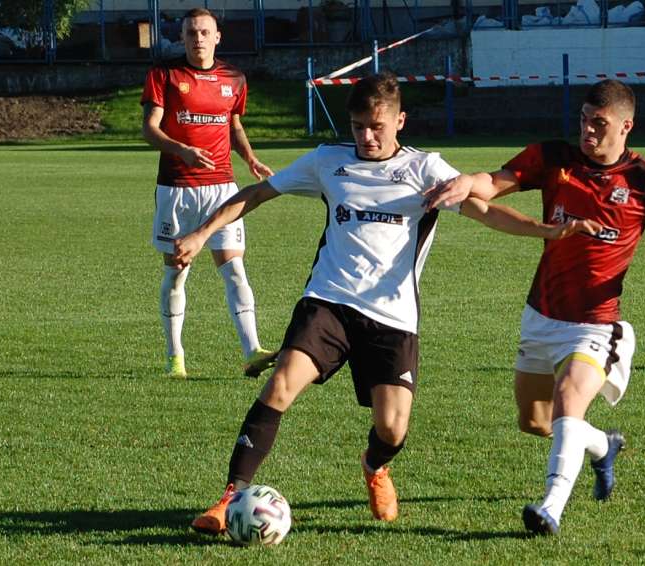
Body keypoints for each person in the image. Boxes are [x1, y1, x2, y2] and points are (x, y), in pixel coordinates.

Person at [172, 72, 599, 534]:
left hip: (392, 316)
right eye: (358, 126)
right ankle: (229, 497)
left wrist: (548, 230)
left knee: (393, 429)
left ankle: (375, 466)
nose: (367, 136)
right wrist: (200, 234)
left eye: (376, 126)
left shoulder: (425, 170)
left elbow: (486, 210)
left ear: (400, 121)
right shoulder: (327, 162)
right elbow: (257, 193)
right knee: (280, 386)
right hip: (328, 302)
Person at [423, 79, 645, 535]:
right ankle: (603, 446)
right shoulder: (552, 158)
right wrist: (467, 181)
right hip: (541, 316)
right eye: (583, 119)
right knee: (536, 421)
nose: (588, 130)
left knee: (568, 401)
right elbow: (494, 183)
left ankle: (551, 508)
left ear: (626, 126)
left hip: (597, 326)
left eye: (599, 124)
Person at [141, 8, 277, 379]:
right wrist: (181, 150)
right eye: (190, 33)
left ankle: (252, 351)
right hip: (177, 190)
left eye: (204, 32)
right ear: (182, 38)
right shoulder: (164, 74)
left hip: (222, 188)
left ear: (217, 36)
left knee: (234, 269)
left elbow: (233, 124)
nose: (197, 39)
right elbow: (150, 128)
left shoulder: (235, 78)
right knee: (177, 273)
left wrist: (250, 157)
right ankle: (175, 356)